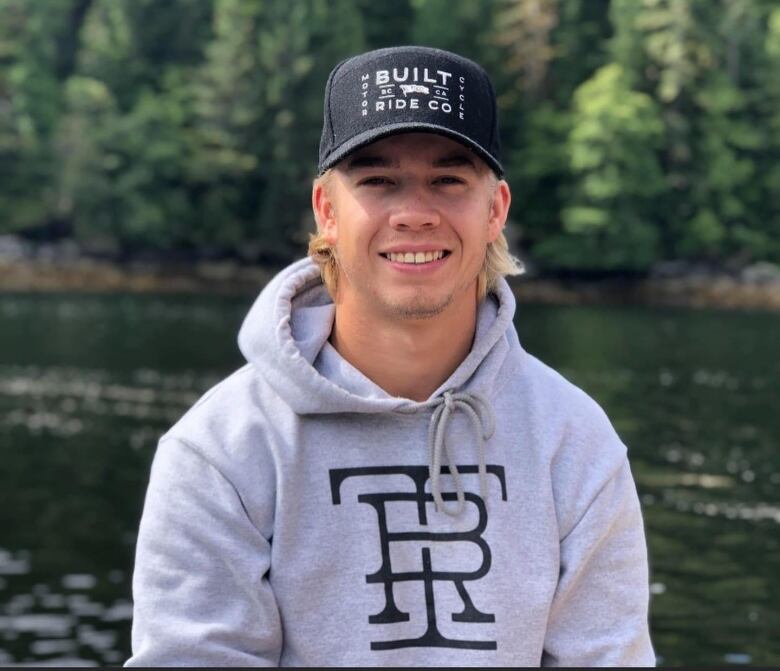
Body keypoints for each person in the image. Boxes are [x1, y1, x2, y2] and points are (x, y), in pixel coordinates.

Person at [126, 46, 655, 667]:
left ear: (495, 210)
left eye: (449, 181)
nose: (414, 213)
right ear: (326, 210)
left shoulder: (575, 439)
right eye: (378, 181)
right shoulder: (219, 449)